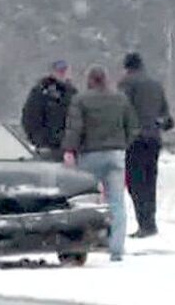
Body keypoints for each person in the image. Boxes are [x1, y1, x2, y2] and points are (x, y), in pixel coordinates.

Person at [62, 65, 139, 262]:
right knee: (116, 202)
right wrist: (122, 145)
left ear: (89, 80)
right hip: (115, 154)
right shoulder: (121, 99)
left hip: (90, 154)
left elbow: (75, 128)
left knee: (85, 199)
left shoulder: (81, 100)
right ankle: (116, 249)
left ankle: (85, 242)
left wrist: (70, 150)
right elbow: (132, 127)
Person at [118, 52, 174, 238]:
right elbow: (166, 116)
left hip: (135, 140)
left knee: (135, 182)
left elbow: (122, 110)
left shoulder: (126, 83)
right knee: (150, 181)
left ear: (127, 67)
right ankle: (150, 222)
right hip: (154, 139)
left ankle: (144, 224)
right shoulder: (156, 85)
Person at [21, 60, 78, 161]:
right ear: (53, 72)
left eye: (65, 71)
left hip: (68, 148)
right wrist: (39, 141)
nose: (63, 74)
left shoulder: (72, 93)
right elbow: (30, 118)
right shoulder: (41, 92)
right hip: (47, 147)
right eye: (59, 71)